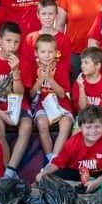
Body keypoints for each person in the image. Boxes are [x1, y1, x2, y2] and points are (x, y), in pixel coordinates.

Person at [0, 22, 34, 175]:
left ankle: (11, 170)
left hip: (18, 104)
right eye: (8, 41)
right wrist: (2, 114)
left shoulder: (23, 62)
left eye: (16, 42)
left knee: (27, 126)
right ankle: (5, 170)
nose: (12, 46)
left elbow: (20, 94)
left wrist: (16, 72)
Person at [34, 105, 102, 192]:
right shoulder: (72, 142)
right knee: (51, 176)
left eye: (97, 126)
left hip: (99, 174)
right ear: (80, 127)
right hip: (76, 173)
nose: (93, 131)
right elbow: (57, 164)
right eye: (88, 127)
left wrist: (96, 183)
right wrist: (43, 174)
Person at [30, 33, 74, 161]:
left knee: (66, 123)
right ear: (36, 52)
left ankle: (55, 158)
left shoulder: (61, 68)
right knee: (42, 123)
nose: (47, 55)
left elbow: (62, 94)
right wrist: (40, 80)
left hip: (60, 105)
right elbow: (31, 94)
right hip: (42, 104)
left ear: (56, 53)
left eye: (50, 52)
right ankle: (50, 158)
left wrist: (50, 79)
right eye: (43, 52)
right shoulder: (34, 68)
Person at [20, 0, 71, 83]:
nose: (47, 17)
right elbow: (25, 63)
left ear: (56, 15)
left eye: (50, 14)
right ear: (38, 15)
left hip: (56, 83)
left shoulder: (64, 39)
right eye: (44, 14)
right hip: (34, 83)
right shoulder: (30, 38)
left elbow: (66, 65)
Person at [72, 47, 102, 118]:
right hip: (84, 119)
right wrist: (81, 87)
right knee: (77, 129)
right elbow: (81, 108)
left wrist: (100, 122)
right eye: (82, 62)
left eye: (86, 62)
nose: (82, 65)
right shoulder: (79, 82)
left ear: (98, 65)